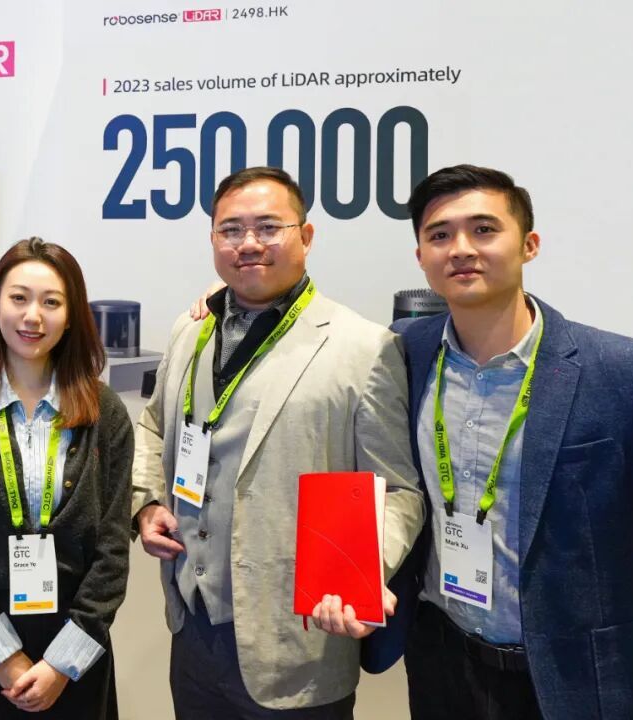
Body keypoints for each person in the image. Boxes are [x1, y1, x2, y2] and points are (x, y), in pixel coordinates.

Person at [388, 164, 633, 719]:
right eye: (440, 234)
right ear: (422, 257)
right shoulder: (403, 353)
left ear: (529, 244)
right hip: (442, 662)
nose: (461, 248)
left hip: (577, 679)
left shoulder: (627, 373)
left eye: (483, 229)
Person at [132, 166, 424, 719]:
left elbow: (398, 491)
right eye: (231, 230)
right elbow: (152, 427)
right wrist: (146, 503)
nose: (248, 244)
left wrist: (357, 575)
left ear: (306, 237)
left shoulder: (364, 348)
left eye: (269, 227)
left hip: (298, 642)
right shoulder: (189, 330)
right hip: (191, 628)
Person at [0, 237, 133, 719]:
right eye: (19, 298)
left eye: (51, 302)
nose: (33, 316)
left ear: (71, 315)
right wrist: (3, 657)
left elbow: (113, 546)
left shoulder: (106, 413)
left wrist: (62, 663)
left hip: (76, 654)